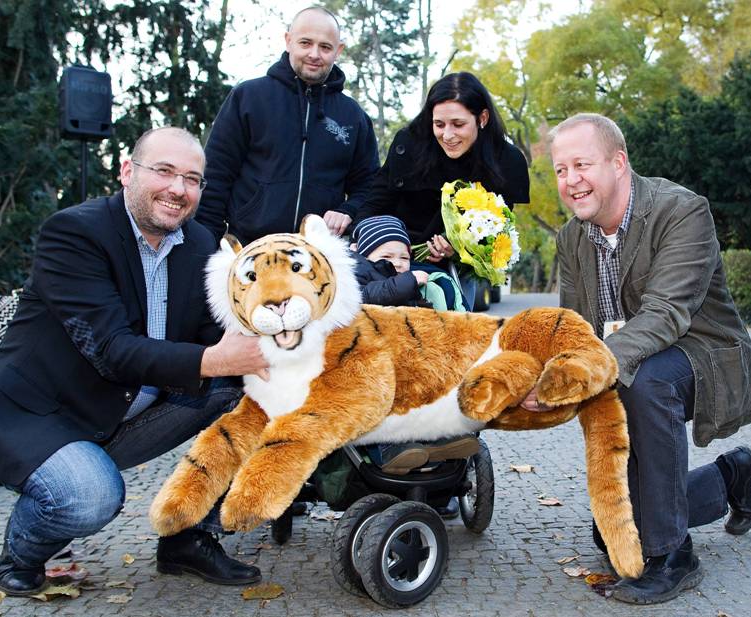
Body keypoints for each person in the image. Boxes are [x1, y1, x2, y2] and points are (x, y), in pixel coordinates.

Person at [0, 127, 272, 596]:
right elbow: (111, 350)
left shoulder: (200, 246)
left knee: (256, 397)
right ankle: (25, 550)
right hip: (44, 414)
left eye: (193, 179)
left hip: (129, 410)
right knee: (89, 496)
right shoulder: (73, 233)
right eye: (164, 171)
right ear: (126, 172)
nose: (179, 189)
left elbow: (212, 336)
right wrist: (217, 358)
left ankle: (187, 537)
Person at [534, 112, 751, 604]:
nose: (571, 181)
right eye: (560, 170)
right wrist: (545, 373)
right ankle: (730, 476)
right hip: (627, 359)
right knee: (614, 533)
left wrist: (585, 369)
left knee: (644, 382)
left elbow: (666, 314)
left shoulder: (682, 211)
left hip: (701, 352)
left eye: (582, 164)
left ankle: (672, 556)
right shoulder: (572, 237)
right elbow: (576, 327)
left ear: (618, 163)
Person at [195, 6, 379, 243]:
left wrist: (348, 210)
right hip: (249, 247)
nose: (314, 54)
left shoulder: (353, 116)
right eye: (305, 43)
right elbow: (216, 174)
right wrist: (208, 242)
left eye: (325, 47)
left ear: (338, 50)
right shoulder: (249, 97)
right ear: (288, 40)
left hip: (318, 256)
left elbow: (369, 187)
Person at [349, 215, 476, 518]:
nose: (398, 263)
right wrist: (407, 281)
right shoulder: (359, 277)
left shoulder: (420, 286)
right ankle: (391, 450)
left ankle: (439, 441)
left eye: (404, 257)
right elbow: (371, 296)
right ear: (364, 255)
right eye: (387, 256)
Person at [353, 71, 530, 267]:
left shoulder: (507, 160)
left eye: (458, 124)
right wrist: (359, 237)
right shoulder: (409, 143)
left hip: (459, 267)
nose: (447, 135)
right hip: (397, 258)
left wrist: (458, 249)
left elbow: (497, 228)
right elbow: (378, 200)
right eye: (439, 124)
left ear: (483, 118)